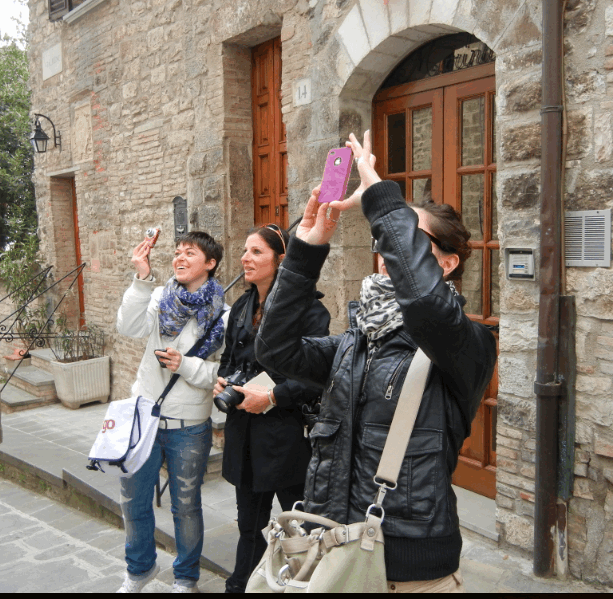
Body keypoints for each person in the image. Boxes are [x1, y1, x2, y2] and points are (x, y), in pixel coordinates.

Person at [255, 132, 497, 593]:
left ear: (447, 264)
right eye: (384, 237)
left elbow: (424, 305)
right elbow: (275, 349)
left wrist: (382, 198)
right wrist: (306, 250)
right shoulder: (356, 343)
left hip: (411, 572)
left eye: (407, 236)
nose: (388, 249)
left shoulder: (466, 343)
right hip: (334, 554)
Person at [214, 224, 330, 594]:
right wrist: (223, 381)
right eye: (244, 251)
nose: (245, 259)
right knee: (249, 526)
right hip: (244, 433)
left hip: (286, 437)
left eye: (256, 252)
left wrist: (273, 396)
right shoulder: (241, 308)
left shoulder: (311, 311)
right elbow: (229, 360)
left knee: (302, 529)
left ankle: (308, 586)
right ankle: (241, 586)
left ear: (280, 260)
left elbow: (317, 376)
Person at [116, 231, 227, 594]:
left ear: (210, 263)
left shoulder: (223, 314)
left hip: (189, 425)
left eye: (190, 253)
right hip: (144, 416)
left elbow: (224, 374)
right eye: (177, 252)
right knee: (133, 501)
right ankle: (139, 570)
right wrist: (141, 277)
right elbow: (128, 327)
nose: (179, 258)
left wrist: (185, 365)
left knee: (186, 506)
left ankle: (185, 578)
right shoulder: (160, 297)